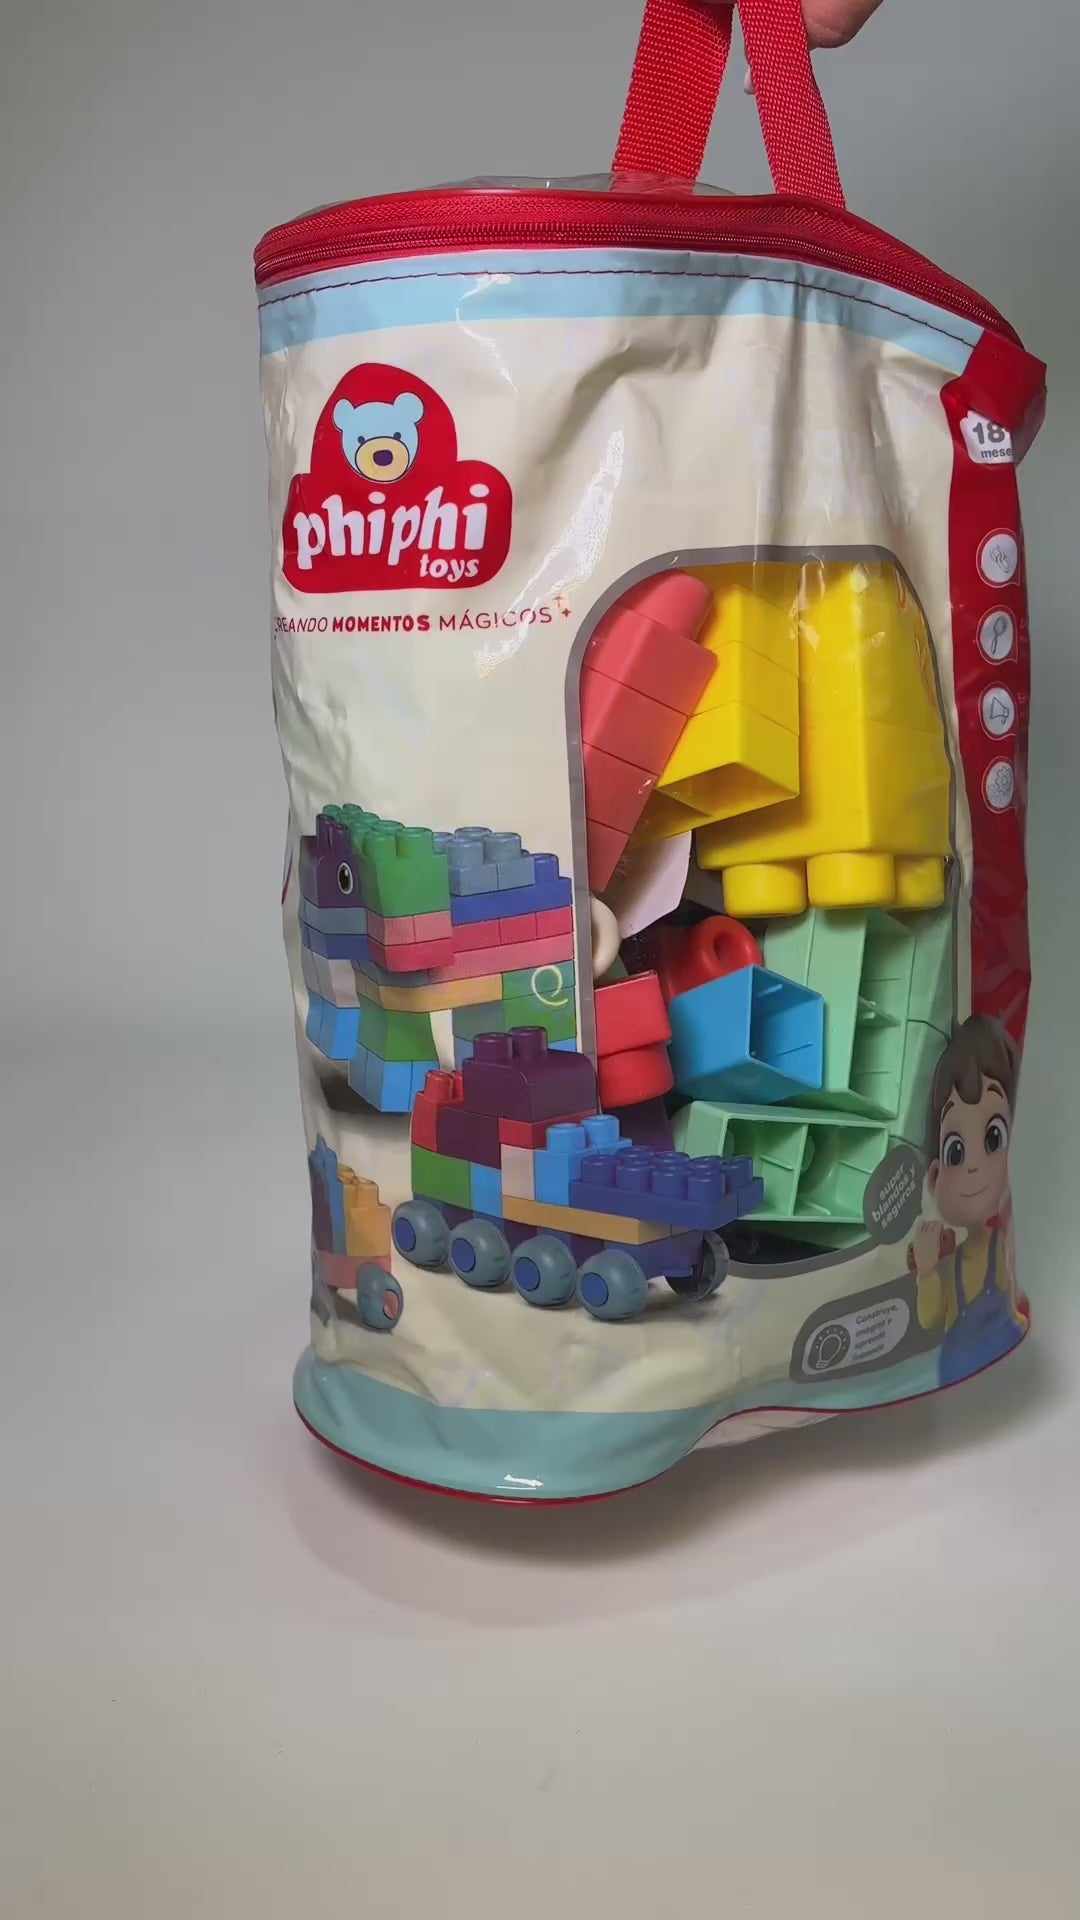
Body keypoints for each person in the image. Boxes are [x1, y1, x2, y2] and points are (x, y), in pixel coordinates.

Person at [909, 1015, 1029, 1387]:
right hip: (959, 1378)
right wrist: (927, 1272)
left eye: (993, 1138)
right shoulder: (954, 1265)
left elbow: (1016, 1297)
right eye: (956, 1151)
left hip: (1002, 1367)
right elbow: (930, 1318)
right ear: (935, 1174)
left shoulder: (1001, 1247)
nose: (973, 1166)